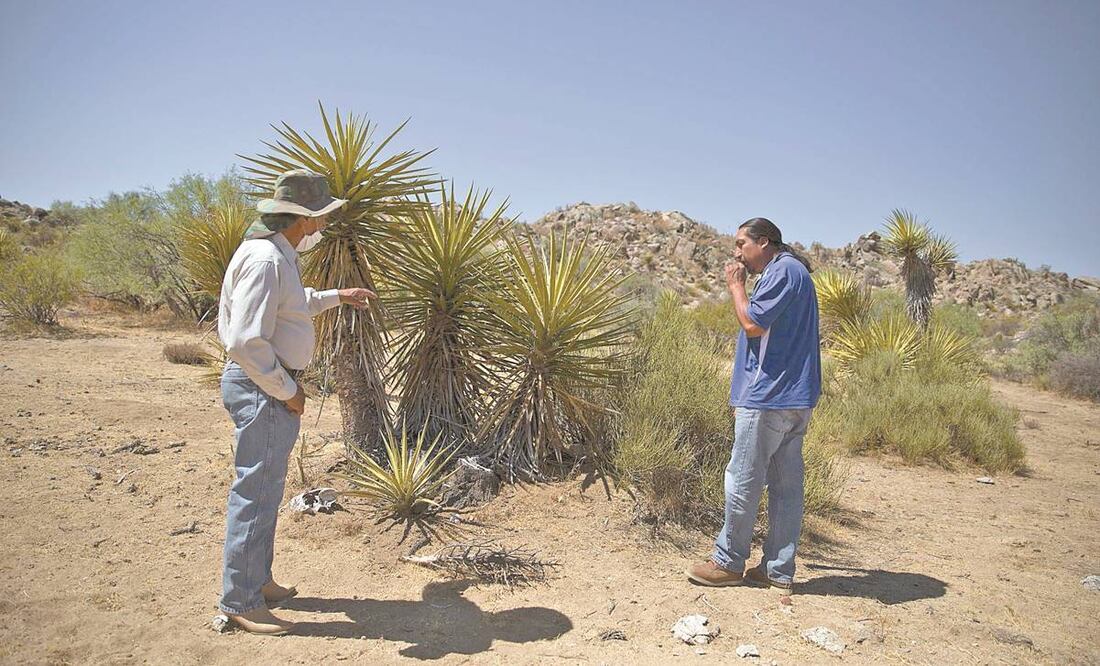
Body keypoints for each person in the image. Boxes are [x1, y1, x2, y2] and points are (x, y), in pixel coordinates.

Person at [216, 169, 374, 634]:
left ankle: (256, 580)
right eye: (320, 216)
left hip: (266, 387)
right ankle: (240, 602)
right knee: (255, 493)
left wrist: (337, 296)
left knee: (265, 491)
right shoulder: (267, 259)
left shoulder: (274, 254)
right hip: (265, 388)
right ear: (303, 219)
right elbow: (247, 340)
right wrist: (288, 390)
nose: (323, 225)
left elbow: (291, 303)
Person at [687, 217, 820, 590]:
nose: (736, 253)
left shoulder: (782, 271)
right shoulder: (795, 273)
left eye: (741, 244)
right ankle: (777, 569)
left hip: (769, 397)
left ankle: (728, 562)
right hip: (795, 397)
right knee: (786, 486)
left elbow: (753, 325)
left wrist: (735, 287)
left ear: (764, 243)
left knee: (743, 478)